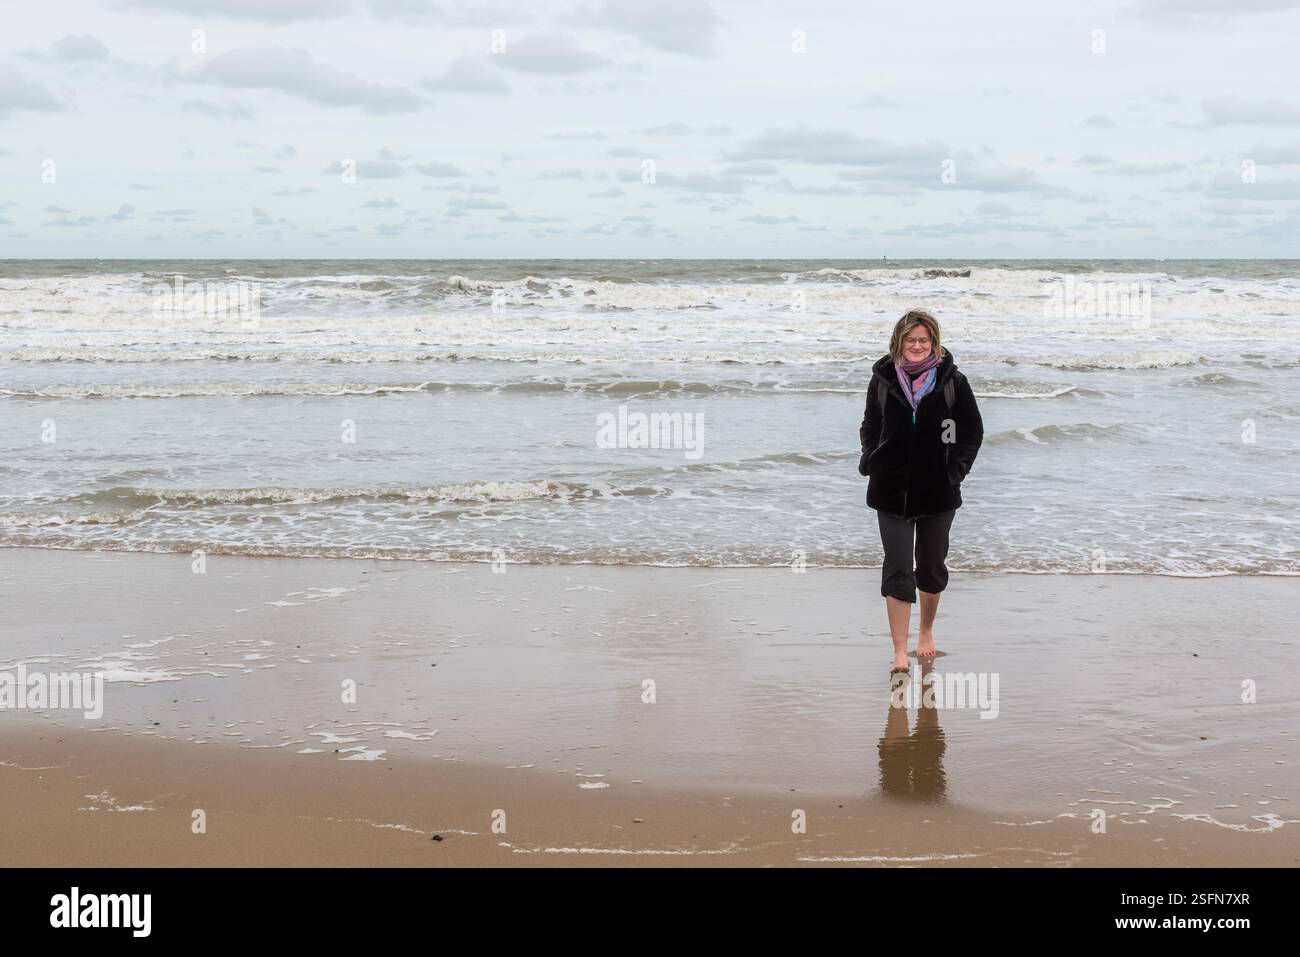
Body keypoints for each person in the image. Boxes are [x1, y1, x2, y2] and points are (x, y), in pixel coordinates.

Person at [858, 309, 983, 677]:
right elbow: (870, 424)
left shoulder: (952, 382)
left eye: (923, 340)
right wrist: (871, 458)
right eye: (910, 340)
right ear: (899, 341)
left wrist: (954, 470)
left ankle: (925, 631)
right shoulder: (882, 380)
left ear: (934, 343)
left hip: (938, 492)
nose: (916, 345)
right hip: (889, 489)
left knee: (930, 567)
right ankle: (899, 652)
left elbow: (971, 431)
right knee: (898, 569)